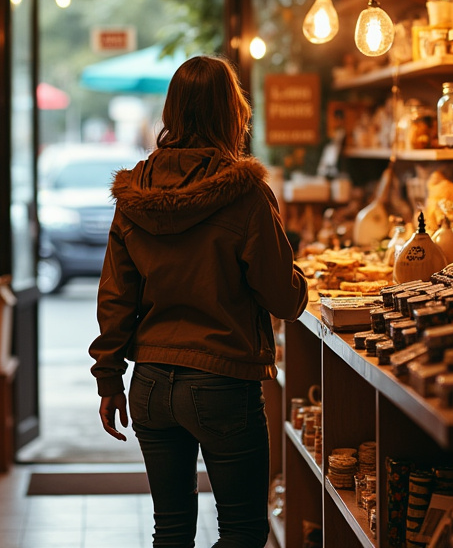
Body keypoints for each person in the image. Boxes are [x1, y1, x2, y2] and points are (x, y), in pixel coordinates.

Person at [89, 55, 308, 548]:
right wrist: (299, 278)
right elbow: (283, 298)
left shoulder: (134, 193)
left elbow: (115, 298)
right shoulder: (247, 194)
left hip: (148, 385)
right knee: (243, 530)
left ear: (173, 111)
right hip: (222, 382)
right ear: (233, 112)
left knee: (169, 530)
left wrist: (108, 378)